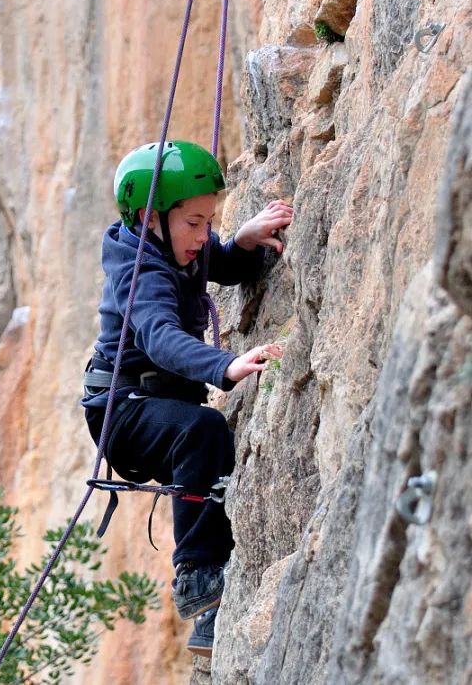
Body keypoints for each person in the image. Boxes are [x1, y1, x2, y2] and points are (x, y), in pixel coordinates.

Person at [80, 140, 292, 656]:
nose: (203, 235)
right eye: (194, 223)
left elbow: (213, 264)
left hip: (151, 403)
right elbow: (159, 337)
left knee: (202, 433)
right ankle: (198, 577)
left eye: (209, 221)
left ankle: (208, 616)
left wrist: (240, 243)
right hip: (124, 413)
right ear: (152, 218)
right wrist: (223, 365)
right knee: (202, 430)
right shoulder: (138, 274)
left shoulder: (172, 247)